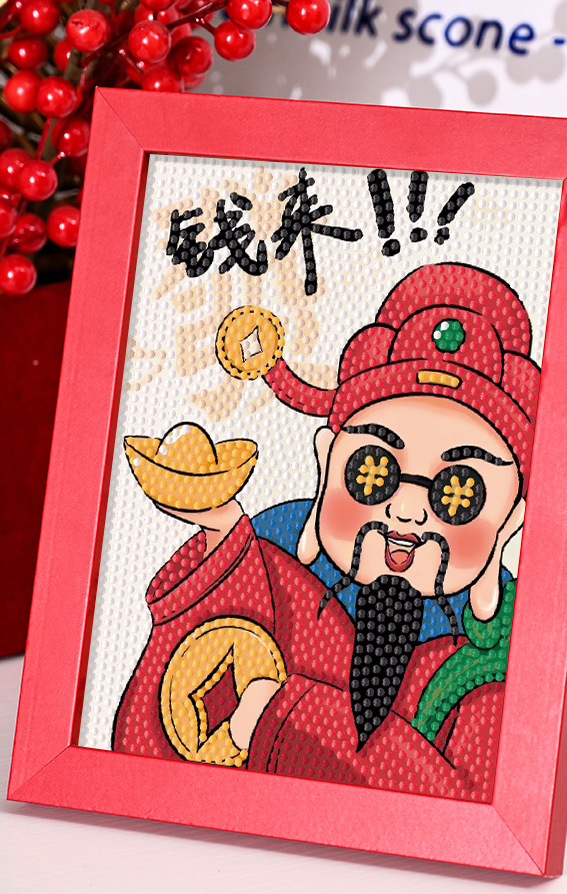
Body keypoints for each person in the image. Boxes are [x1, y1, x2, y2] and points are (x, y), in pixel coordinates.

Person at [113, 262, 540, 802]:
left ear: (509, 520)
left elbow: (464, 804)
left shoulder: (493, 662)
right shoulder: (269, 569)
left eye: (458, 491)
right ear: (326, 463)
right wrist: (218, 549)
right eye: (374, 471)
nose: (407, 511)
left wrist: (280, 714)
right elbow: (142, 751)